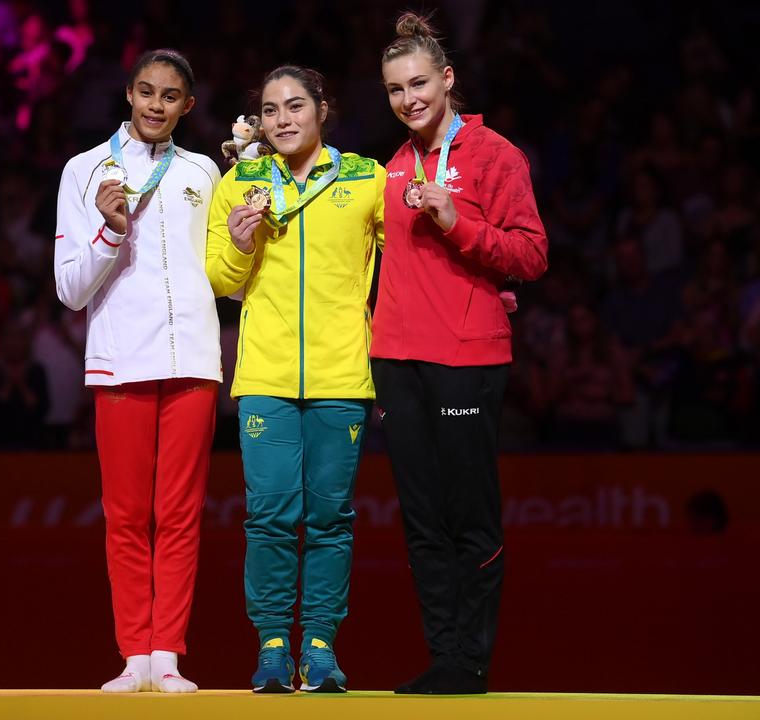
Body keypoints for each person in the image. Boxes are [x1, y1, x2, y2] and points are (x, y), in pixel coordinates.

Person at [372, 12, 548, 694]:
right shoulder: (392, 166)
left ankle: (470, 660)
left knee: (469, 515)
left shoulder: (495, 155)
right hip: (396, 358)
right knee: (421, 519)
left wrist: (457, 221)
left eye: (419, 83)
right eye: (394, 89)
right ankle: (443, 655)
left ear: (447, 80)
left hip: (466, 357)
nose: (409, 98)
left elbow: (532, 254)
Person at [205, 65, 385, 694]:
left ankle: (322, 647)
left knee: (332, 517)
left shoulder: (367, 178)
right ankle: (275, 646)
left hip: (342, 374)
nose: (282, 120)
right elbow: (224, 280)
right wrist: (237, 243)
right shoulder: (240, 183)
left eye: (295, 106)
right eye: (271, 110)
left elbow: (411, 261)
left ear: (323, 109)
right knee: (271, 516)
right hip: (266, 376)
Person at [53, 49, 220, 694]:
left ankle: (168, 655)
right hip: (120, 357)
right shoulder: (84, 170)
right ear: (128, 93)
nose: (155, 104)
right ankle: (133, 658)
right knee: (126, 514)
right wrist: (110, 232)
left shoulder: (203, 172)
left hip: (192, 357)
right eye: (145, 91)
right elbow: (69, 288)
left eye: (169, 95)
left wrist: (240, 237)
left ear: (188, 105)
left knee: (179, 512)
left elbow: (220, 272)